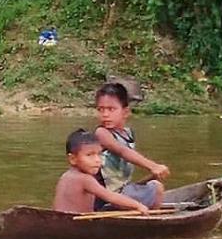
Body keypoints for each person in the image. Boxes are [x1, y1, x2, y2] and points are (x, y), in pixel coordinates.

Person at [93, 81, 169, 209]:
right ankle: (150, 222)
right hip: (107, 197)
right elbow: (122, 151)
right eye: (101, 109)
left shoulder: (128, 134)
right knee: (157, 188)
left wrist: (151, 175)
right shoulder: (102, 133)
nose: (105, 115)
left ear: (126, 112)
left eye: (111, 109)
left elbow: (122, 179)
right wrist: (153, 166)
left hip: (121, 191)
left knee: (153, 182)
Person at [53, 129, 152, 214]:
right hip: (77, 224)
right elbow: (111, 197)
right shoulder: (84, 179)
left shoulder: (66, 176)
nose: (97, 160)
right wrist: (138, 205)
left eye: (99, 154)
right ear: (73, 159)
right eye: (89, 155)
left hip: (60, 220)